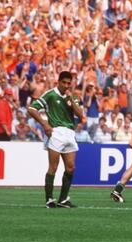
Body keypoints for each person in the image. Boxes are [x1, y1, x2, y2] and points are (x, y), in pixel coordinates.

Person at [28, 71, 84, 208]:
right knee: (53, 167)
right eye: (64, 82)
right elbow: (31, 108)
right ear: (58, 82)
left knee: (70, 167)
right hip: (56, 132)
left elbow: (80, 114)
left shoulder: (72, 96)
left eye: (68, 83)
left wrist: (70, 99)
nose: (66, 85)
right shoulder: (50, 94)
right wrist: (45, 124)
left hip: (70, 132)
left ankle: (63, 199)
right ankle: (49, 199)